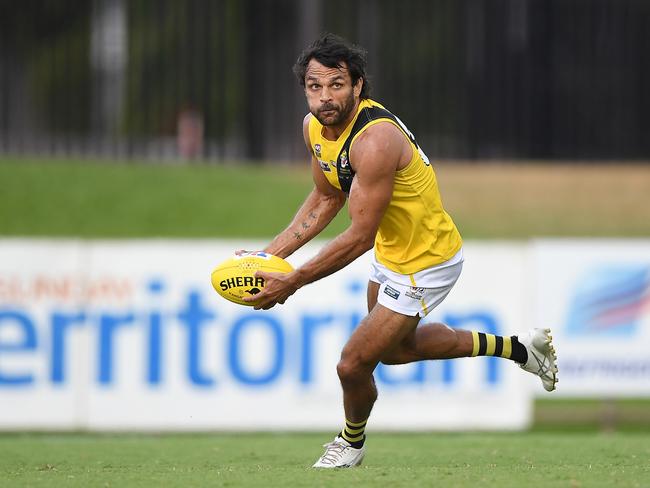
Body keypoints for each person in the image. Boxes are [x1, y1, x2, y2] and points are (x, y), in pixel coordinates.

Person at [242, 33, 558, 468]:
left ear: (358, 85)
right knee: (393, 352)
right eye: (314, 86)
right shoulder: (314, 127)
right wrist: (267, 257)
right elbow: (326, 197)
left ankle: (350, 444)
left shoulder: (376, 140)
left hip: (427, 260)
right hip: (394, 251)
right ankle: (522, 351)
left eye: (336, 84)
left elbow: (359, 235)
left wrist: (293, 280)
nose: (324, 96)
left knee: (352, 364)